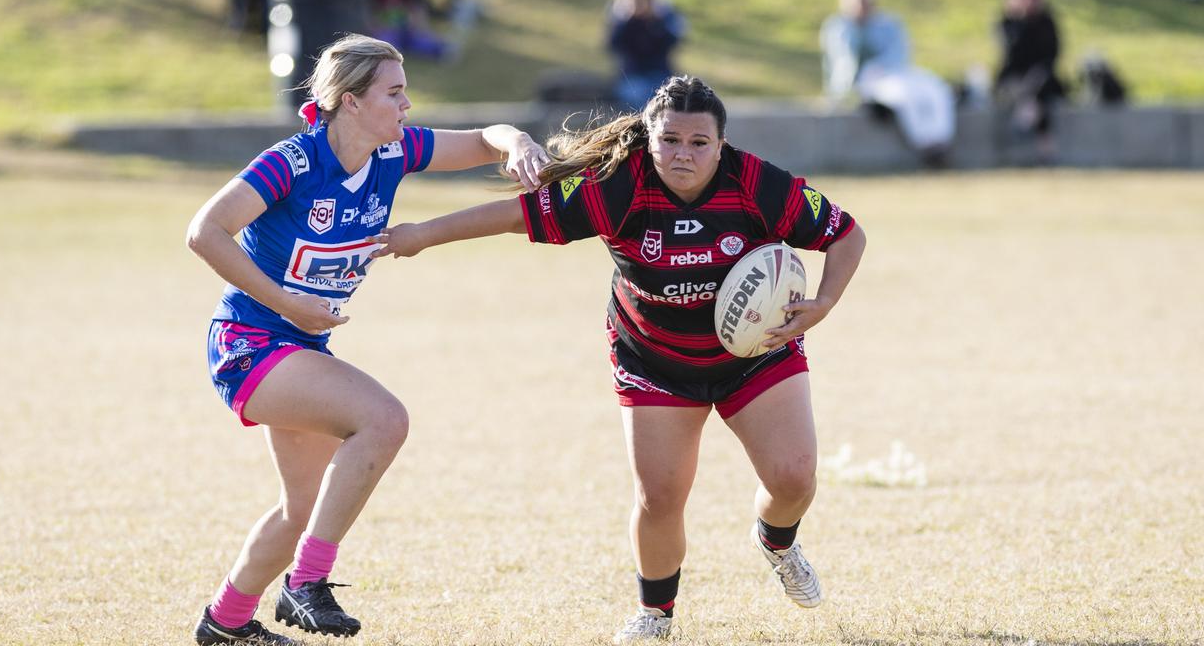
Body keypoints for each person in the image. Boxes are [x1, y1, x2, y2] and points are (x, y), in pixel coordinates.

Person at [369, 76, 867, 643]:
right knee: (659, 497)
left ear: (721, 145)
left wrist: (823, 303)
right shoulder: (615, 186)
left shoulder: (757, 184)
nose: (682, 154)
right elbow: (514, 215)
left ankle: (777, 541)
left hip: (756, 354)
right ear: (648, 139)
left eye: (699, 143)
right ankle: (655, 616)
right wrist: (418, 234)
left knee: (794, 477)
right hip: (654, 358)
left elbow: (847, 234)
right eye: (669, 140)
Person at [185, 33, 548, 645]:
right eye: (394, 92)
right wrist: (286, 302)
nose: (407, 106)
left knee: (300, 511)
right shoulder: (292, 162)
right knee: (383, 420)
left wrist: (516, 140)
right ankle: (307, 584)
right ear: (350, 102)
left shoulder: (393, 152)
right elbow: (205, 231)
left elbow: (485, 140)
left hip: (300, 350)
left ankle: (225, 624)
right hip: (249, 342)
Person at [820, 0, 956, 166]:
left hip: (895, 71)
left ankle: (941, 138)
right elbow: (843, 64)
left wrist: (883, 66)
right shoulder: (839, 27)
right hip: (864, 82)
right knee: (905, 94)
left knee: (935, 88)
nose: (863, 5)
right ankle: (926, 144)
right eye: (858, 0)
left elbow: (899, 53)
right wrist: (841, 94)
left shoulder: (888, 23)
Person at [994, 0, 1066, 162]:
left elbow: (1051, 55)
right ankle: (1044, 145)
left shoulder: (1046, 22)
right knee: (1028, 93)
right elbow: (1011, 56)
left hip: (1042, 77)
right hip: (1013, 78)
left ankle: (1025, 124)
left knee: (1041, 90)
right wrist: (1022, 20)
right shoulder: (1007, 23)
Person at [607, 0, 687, 109]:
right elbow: (613, 44)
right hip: (631, 75)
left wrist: (656, 20)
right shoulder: (620, 11)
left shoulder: (665, 11)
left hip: (661, 73)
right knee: (636, 97)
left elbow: (674, 41)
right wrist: (628, 18)